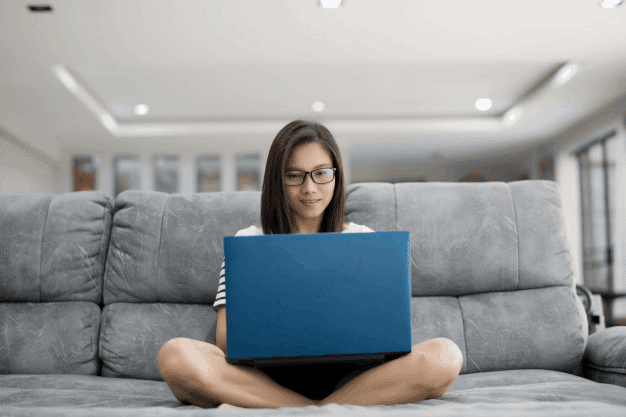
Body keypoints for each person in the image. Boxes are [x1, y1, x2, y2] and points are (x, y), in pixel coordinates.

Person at [156, 120, 463, 409]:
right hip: (264, 379)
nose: (310, 188)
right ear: (278, 180)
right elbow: (226, 341)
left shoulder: (363, 239)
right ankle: (315, 410)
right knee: (175, 356)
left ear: (336, 175)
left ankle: (305, 409)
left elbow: (390, 336)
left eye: (321, 173)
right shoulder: (248, 242)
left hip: (357, 377)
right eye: (295, 175)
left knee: (446, 355)